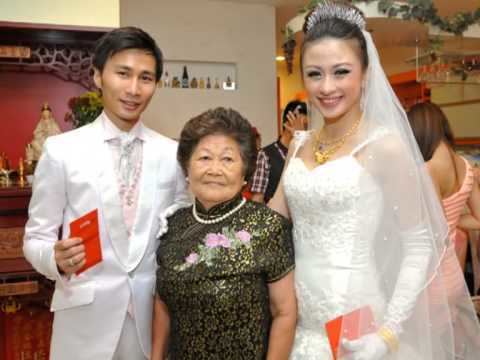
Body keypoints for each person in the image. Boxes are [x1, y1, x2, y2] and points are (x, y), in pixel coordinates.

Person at [268, 2, 480, 359]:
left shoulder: (385, 147)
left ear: (365, 73)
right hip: (297, 321)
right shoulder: (298, 146)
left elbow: (419, 245)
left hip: (357, 320)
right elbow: (270, 224)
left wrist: (386, 335)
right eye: (314, 73)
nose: (327, 86)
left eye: (341, 72)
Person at [23, 27, 189, 360]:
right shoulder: (61, 151)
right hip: (85, 319)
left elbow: (180, 232)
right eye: (123, 74)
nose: (133, 89)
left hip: (151, 320)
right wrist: (54, 258)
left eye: (145, 78)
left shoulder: (172, 154)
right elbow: (35, 238)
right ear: (98, 75)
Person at [153, 107, 296, 359]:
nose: (214, 169)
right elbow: (163, 304)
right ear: (187, 168)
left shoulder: (267, 226)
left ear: (245, 172)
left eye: (228, 159)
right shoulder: (173, 225)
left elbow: (284, 313)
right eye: (204, 158)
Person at [251, 100, 307, 203]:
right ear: (287, 122)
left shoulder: (307, 153)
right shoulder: (265, 155)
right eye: (301, 125)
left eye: (305, 127)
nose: (303, 130)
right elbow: (257, 199)